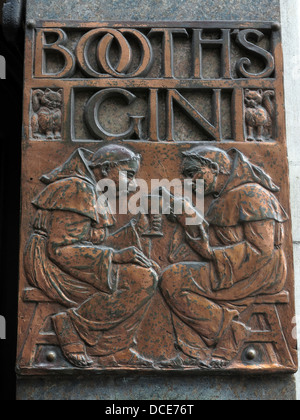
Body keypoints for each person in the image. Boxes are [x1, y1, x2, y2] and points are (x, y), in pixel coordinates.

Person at [24, 145, 158, 367]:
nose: (133, 185)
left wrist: (135, 231)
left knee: (146, 273)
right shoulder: (78, 189)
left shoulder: (91, 189)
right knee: (142, 280)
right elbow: (60, 250)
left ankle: (114, 349)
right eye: (129, 175)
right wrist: (115, 257)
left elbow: (89, 242)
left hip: (72, 262)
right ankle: (72, 326)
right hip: (49, 266)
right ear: (105, 169)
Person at [160, 146, 288, 364]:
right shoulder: (224, 197)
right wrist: (184, 216)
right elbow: (211, 240)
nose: (190, 182)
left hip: (260, 271)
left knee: (173, 280)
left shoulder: (252, 194)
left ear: (214, 168)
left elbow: (262, 250)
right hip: (234, 268)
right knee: (171, 273)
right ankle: (195, 351)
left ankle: (228, 332)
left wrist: (211, 254)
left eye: (194, 175)